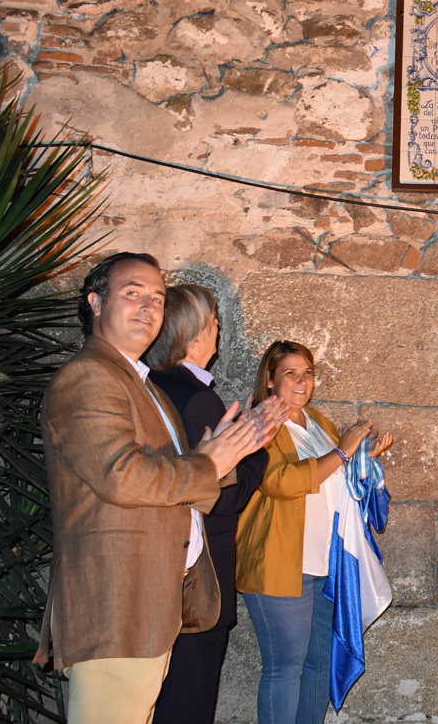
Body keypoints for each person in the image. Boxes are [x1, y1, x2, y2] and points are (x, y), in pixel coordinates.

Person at [33, 252, 279, 724]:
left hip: (154, 604)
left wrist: (227, 451)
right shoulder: (88, 376)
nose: (148, 306)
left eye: (158, 298)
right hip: (117, 606)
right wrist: (211, 463)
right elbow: (122, 475)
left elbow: (178, 472)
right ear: (96, 303)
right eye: (133, 293)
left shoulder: (147, 386)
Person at [236, 340, 393, 724]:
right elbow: (279, 482)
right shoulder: (260, 422)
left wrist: (360, 460)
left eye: (308, 372)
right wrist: (341, 452)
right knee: (285, 667)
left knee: (320, 664)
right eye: (291, 373)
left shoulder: (319, 422)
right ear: (270, 380)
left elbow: (332, 478)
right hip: (281, 562)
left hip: (326, 565)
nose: (302, 381)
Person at [147, 284, 281, 724]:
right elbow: (224, 497)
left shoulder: (152, 387)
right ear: (192, 337)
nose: (218, 329)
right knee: (190, 696)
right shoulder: (199, 398)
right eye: (212, 322)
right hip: (200, 577)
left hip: (161, 571)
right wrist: (258, 445)